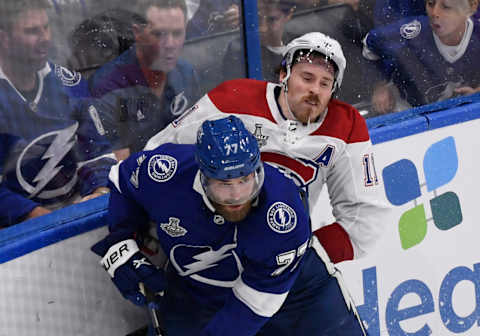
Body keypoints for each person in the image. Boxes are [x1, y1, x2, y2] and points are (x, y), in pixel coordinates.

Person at [92, 115, 366, 335]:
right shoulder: (167, 171)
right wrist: (121, 240)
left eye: (245, 181)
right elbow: (122, 180)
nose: (237, 196)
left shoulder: (282, 214)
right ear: (203, 176)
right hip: (201, 297)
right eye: (224, 184)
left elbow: (254, 305)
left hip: (298, 296)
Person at [146, 32, 391, 264]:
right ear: (283, 75)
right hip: (205, 248)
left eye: (325, 83)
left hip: (278, 258)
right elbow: (157, 155)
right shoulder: (233, 98)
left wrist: (294, 258)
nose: (315, 89)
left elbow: (366, 222)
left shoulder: (346, 127)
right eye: (306, 78)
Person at [0, 0, 116, 227]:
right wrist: (43, 219)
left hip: (78, 213)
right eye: (32, 31)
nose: (45, 38)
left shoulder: (68, 84)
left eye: (46, 27)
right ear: (4, 39)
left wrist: (99, 192)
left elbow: (98, 153)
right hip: (18, 238)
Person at [89, 0, 201, 160]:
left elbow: (194, 137)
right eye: (159, 34)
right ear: (137, 33)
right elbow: (118, 168)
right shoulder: (108, 86)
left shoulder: (186, 73)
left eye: (177, 33)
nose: (170, 44)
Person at [363, 0, 480, 115]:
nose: (435, 13)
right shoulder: (411, 33)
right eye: (430, 4)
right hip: (411, 112)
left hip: (463, 113)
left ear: (472, 7)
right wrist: (379, 85)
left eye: (446, 6)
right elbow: (370, 44)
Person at [223, 0, 296, 83]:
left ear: (289, 14)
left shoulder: (299, 41)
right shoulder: (241, 51)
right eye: (257, 19)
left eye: (272, 20)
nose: (263, 28)